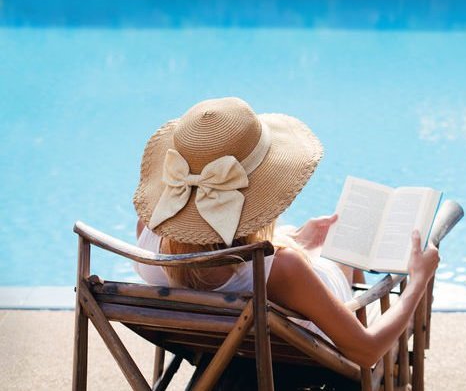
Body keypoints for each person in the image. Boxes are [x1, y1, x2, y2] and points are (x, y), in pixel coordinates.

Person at [131, 97, 439, 368]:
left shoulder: (150, 233)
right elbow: (366, 350)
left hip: (230, 346)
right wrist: (418, 280)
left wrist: (295, 241)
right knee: (344, 246)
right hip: (309, 350)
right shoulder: (284, 270)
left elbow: (225, 257)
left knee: (330, 240)